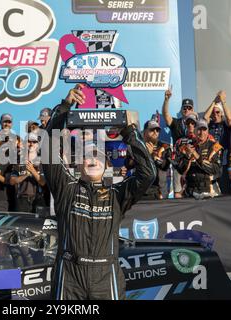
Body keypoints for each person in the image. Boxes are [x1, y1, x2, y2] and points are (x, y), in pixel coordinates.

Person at [43, 85, 156, 300]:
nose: (93, 159)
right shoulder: (66, 188)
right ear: (79, 166)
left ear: (107, 167)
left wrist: (129, 132)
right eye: (88, 156)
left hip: (106, 274)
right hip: (70, 273)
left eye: (99, 156)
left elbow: (148, 174)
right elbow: (48, 147)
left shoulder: (117, 194)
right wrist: (65, 108)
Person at [175, 119, 223, 199]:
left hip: (209, 190)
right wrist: (187, 157)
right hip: (190, 190)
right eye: (199, 130)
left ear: (208, 131)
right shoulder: (187, 146)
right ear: (194, 131)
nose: (201, 133)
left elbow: (215, 169)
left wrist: (196, 156)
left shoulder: (215, 146)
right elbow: (180, 170)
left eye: (204, 130)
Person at [162, 87, 196, 198]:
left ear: (192, 109)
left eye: (189, 108)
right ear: (181, 110)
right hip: (179, 162)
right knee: (178, 192)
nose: (186, 110)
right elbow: (166, 115)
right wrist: (166, 99)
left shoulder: (197, 124)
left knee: (195, 190)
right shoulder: (176, 122)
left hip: (194, 161)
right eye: (184, 108)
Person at [126, 121, 172, 200]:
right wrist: (144, 155)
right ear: (144, 131)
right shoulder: (136, 146)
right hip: (139, 190)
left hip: (158, 192)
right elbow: (128, 164)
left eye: (157, 130)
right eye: (152, 130)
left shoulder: (165, 147)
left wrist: (152, 156)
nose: (155, 132)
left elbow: (164, 166)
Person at [203, 91, 231, 194]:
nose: (215, 114)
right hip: (210, 162)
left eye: (217, 112)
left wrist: (223, 101)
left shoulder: (225, 125)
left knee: (225, 190)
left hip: (224, 163)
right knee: (211, 192)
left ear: (221, 114)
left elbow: (229, 118)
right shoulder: (208, 126)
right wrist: (214, 101)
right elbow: (205, 118)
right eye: (213, 112)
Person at [9, 133, 47, 213]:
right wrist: (26, 174)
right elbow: (12, 181)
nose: (31, 144)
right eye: (29, 141)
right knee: (21, 225)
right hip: (22, 199)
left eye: (34, 142)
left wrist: (32, 170)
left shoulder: (42, 162)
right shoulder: (19, 161)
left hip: (38, 198)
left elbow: (42, 182)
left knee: (39, 225)